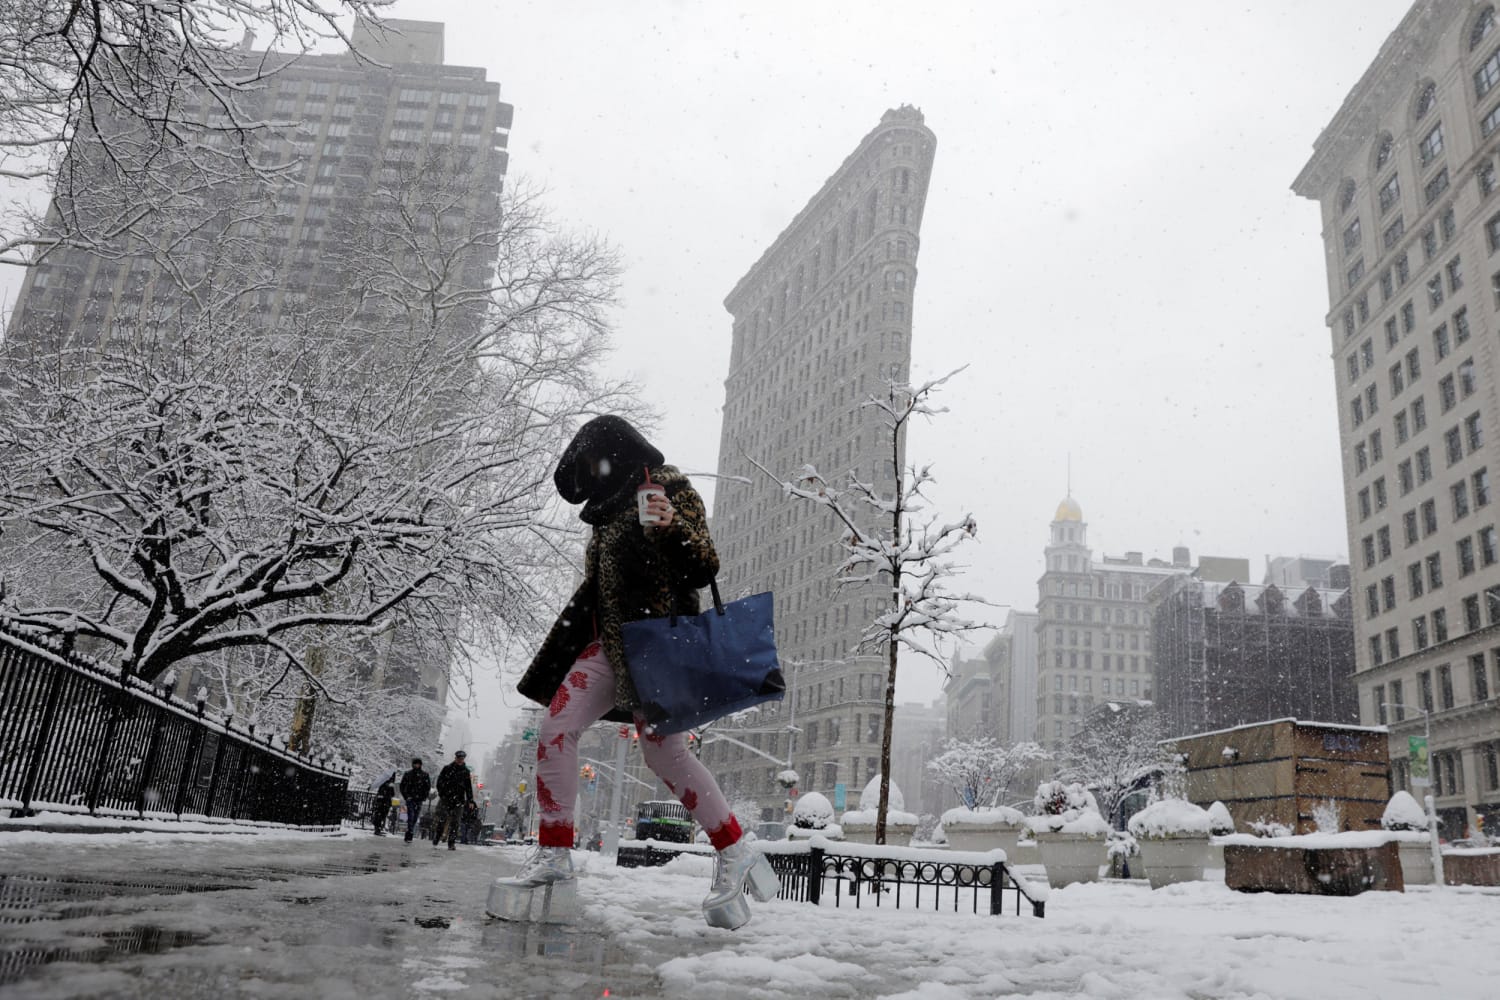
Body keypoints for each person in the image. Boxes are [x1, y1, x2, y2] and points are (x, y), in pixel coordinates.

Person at [501, 415, 776, 930]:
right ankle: (555, 856)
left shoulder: (667, 485)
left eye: (592, 462)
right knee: (557, 730)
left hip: (661, 645)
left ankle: (734, 849)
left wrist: (670, 527)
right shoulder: (603, 516)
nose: (590, 474)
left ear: (616, 450)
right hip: (608, 646)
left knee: (663, 751)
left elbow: (705, 566)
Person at [432, 750, 475, 851]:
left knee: (456, 823)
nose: (460, 761)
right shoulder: (447, 769)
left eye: (462, 759)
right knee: (442, 820)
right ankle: (437, 836)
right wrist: (442, 793)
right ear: (455, 758)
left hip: (459, 800)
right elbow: (440, 782)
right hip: (446, 799)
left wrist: (470, 800)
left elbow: (468, 787)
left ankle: (451, 843)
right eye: (458, 759)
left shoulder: (466, 772)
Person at [398, 758, 431, 843]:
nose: (416, 765)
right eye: (415, 764)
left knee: (415, 816)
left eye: (418, 764)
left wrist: (424, 796)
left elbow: (427, 787)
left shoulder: (424, 775)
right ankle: (410, 833)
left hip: (419, 799)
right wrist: (406, 796)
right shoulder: (408, 774)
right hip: (410, 798)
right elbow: (402, 786)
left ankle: (409, 832)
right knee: (411, 815)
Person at [372, 772, 398, 836]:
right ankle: (377, 829)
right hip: (383, 802)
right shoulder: (385, 784)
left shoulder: (387, 784)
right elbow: (390, 794)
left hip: (384, 803)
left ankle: (378, 828)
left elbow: (392, 793)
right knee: (380, 815)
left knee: (381, 815)